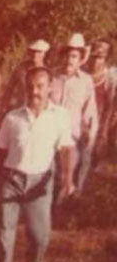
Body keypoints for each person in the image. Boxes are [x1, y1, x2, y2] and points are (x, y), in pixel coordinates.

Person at [0, 67, 74, 262]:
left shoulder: (60, 116)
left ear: (50, 88)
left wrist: (68, 178)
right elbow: (0, 152)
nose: (35, 91)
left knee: (40, 234)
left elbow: (66, 148)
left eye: (40, 86)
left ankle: (34, 259)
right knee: (5, 233)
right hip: (11, 179)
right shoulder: (13, 117)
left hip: (40, 182)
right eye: (31, 86)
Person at [50, 33, 98, 195]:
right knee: (51, 177)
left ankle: (67, 207)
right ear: (62, 57)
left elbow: (90, 111)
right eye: (67, 56)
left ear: (80, 59)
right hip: (50, 135)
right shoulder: (52, 77)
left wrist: (89, 135)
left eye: (74, 56)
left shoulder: (86, 81)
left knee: (70, 176)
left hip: (72, 137)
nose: (69, 60)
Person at [87, 40, 116, 166]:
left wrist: (104, 130)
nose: (95, 61)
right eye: (93, 57)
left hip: (98, 123)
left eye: (100, 57)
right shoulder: (82, 73)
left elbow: (110, 106)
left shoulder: (110, 78)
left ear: (106, 59)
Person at [3, 39, 49, 111]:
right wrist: (4, 106)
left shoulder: (47, 73)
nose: (35, 55)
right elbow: (9, 88)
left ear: (44, 54)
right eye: (33, 52)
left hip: (39, 110)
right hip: (21, 107)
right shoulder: (21, 69)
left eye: (39, 52)